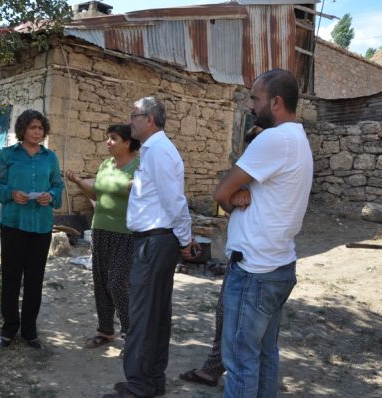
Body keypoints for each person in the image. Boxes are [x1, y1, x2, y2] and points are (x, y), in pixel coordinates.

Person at [214, 69, 313, 398]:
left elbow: (221, 193)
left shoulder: (274, 139)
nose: (250, 105)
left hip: (254, 270)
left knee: (240, 361)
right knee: (265, 354)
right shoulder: (298, 139)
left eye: (255, 99)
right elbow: (245, 191)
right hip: (279, 264)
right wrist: (242, 196)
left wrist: (234, 201)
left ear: (276, 102)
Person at [103, 97, 199, 398]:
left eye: (135, 116)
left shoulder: (158, 151)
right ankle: (152, 380)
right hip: (156, 240)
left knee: (144, 314)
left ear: (150, 120)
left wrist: (185, 241)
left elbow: (174, 202)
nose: (130, 121)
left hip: (156, 241)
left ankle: (139, 385)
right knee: (155, 313)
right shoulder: (154, 150)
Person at [179, 126, 263, 388]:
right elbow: (226, 196)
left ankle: (222, 372)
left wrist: (242, 197)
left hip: (254, 260)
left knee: (234, 320)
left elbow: (225, 195)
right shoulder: (254, 173)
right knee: (226, 315)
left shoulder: (269, 175)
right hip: (244, 256)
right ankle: (216, 367)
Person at [0, 109, 64, 349]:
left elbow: (57, 185)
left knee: (35, 279)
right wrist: (11, 194)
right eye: (32, 127)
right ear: (22, 130)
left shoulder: (50, 157)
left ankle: (30, 330)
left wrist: (50, 196)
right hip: (13, 224)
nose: (37, 132)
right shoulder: (8, 155)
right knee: (11, 278)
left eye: (40, 128)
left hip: (41, 227)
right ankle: (9, 327)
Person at [65, 124, 140, 352]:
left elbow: (147, 196)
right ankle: (105, 330)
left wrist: (135, 188)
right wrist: (79, 182)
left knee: (117, 283)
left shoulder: (140, 167)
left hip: (126, 233)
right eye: (108, 138)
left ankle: (131, 334)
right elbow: (96, 194)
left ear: (127, 142)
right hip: (101, 230)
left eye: (113, 138)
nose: (108, 142)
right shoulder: (106, 164)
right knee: (100, 282)